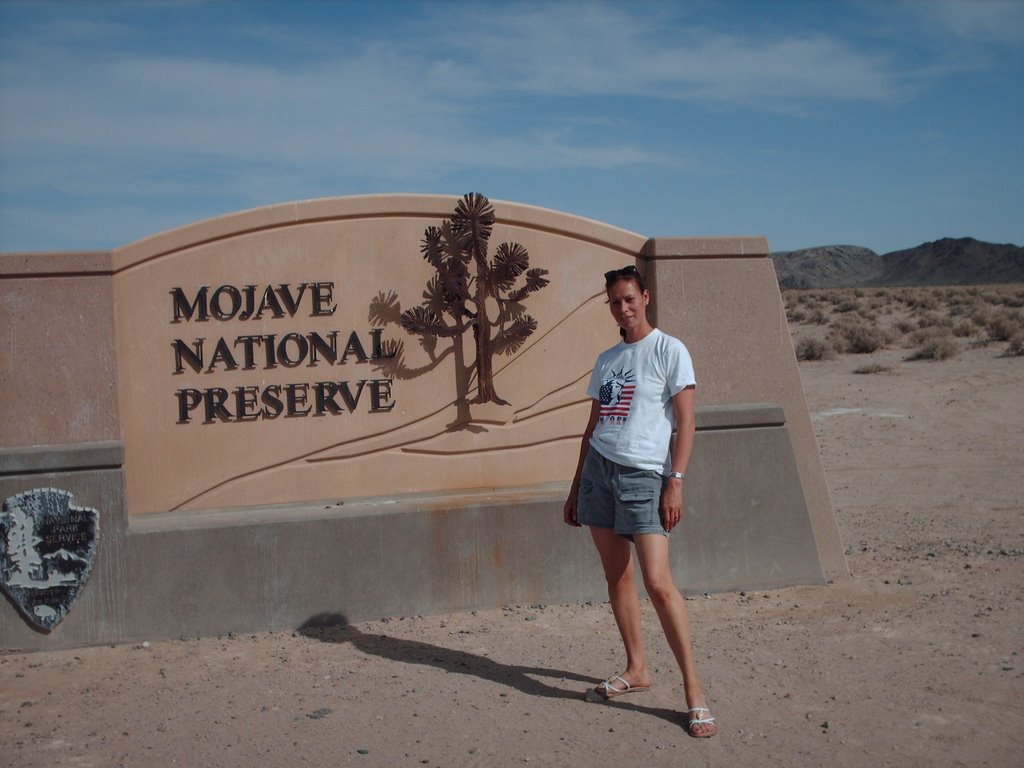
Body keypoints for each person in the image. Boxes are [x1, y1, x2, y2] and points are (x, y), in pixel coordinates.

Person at [563, 264, 717, 738]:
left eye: (629, 299)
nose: (623, 308)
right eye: (614, 302)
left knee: (658, 581)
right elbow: (594, 427)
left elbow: (687, 421)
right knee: (618, 576)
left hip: (644, 475)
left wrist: (676, 479)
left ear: (644, 296)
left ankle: (694, 692)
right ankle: (637, 668)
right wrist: (575, 486)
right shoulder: (607, 359)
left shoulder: (670, 350)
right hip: (599, 474)